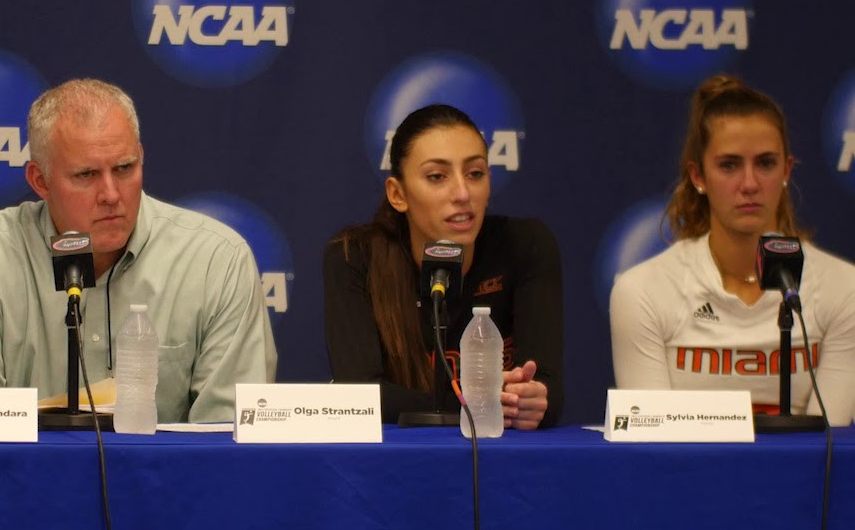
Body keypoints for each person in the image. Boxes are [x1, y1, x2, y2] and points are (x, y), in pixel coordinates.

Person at [0, 78, 276, 423]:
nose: (111, 195)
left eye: (124, 168)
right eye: (86, 175)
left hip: (171, 486)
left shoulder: (217, 261)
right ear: (40, 181)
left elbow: (228, 441)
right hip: (22, 485)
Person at [610, 75, 855, 425]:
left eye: (766, 164)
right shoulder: (642, 291)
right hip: (688, 480)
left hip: (802, 481)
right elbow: (654, 440)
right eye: (729, 165)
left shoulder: (845, 289)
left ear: (786, 170)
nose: (750, 184)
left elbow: (828, 441)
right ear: (698, 176)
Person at [323, 104, 563, 428]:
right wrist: (483, 403)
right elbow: (359, 396)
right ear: (398, 194)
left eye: (475, 174)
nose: (463, 193)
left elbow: (548, 389)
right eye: (437, 177)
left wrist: (533, 400)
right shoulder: (355, 257)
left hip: (499, 459)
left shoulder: (526, 245)